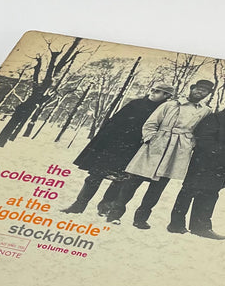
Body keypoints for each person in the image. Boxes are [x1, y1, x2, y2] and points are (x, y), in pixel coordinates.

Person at [104, 79, 214, 227]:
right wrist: (150, 139)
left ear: (207, 94)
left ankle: (141, 219)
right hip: (157, 145)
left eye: (204, 91)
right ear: (192, 89)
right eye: (198, 88)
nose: (200, 92)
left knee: (157, 187)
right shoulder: (170, 104)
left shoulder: (206, 111)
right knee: (132, 182)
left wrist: (190, 143)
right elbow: (151, 123)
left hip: (177, 150)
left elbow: (202, 131)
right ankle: (115, 214)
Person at [59, 83, 174, 214]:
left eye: (157, 91)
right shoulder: (135, 104)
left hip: (133, 150)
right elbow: (115, 122)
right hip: (113, 146)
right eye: (152, 89)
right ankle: (78, 205)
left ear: (167, 95)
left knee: (119, 181)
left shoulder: (164, 111)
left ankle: (104, 208)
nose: (152, 92)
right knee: (95, 176)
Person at [168, 92, 225, 239]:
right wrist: (217, 153)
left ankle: (201, 227)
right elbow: (202, 137)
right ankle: (176, 225)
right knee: (189, 192)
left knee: (210, 194)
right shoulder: (216, 117)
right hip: (204, 163)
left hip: (222, 166)